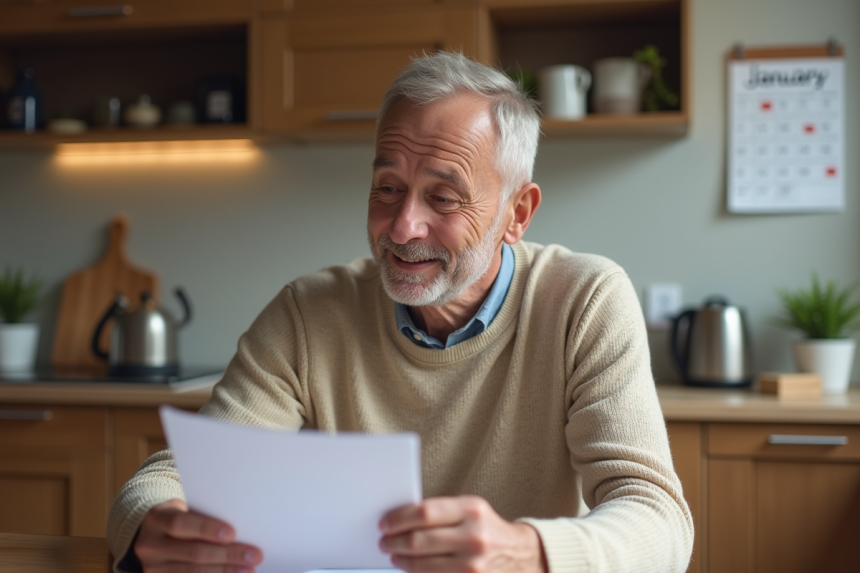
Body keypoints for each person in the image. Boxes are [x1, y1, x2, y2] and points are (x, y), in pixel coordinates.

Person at [107, 51, 694, 573]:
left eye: (442, 197)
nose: (403, 226)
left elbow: (660, 521)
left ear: (518, 213)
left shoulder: (584, 299)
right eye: (388, 188)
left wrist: (522, 551)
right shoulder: (308, 312)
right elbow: (174, 477)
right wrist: (154, 528)